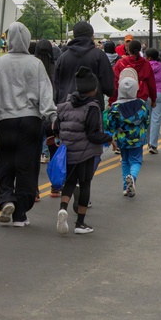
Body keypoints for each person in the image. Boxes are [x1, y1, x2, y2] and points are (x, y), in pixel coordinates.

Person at [0, 21, 57, 227]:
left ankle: (6, 197)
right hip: (30, 119)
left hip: (5, 120)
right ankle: (21, 213)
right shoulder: (35, 64)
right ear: (26, 39)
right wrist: (51, 116)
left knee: (4, 161)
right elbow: (45, 92)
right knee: (27, 165)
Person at [55, 67, 112, 235]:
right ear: (93, 89)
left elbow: (58, 127)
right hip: (86, 153)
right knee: (85, 184)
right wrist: (109, 138)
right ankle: (80, 223)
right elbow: (93, 135)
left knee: (70, 183)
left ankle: (63, 208)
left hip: (69, 151)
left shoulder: (65, 104)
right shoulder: (92, 107)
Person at [106, 76, 149, 197]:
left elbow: (111, 124)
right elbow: (146, 121)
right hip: (137, 138)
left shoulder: (115, 107)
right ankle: (133, 177)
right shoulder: (141, 104)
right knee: (136, 161)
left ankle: (126, 187)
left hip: (122, 139)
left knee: (125, 161)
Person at [145, 48, 161, 154]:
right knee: (156, 119)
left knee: (146, 118)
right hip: (159, 94)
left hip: (146, 94)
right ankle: (153, 144)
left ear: (149, 57)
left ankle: (146, 142)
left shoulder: (145, 67)